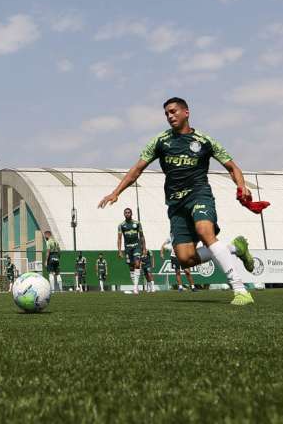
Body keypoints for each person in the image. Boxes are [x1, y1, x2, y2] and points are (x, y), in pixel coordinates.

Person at [99, 97, 257, 306]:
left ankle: (240, 290)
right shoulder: (160, 141)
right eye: (166, 113)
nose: (169, 116)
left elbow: (233, 167)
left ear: (186, 112)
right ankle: (235, 248)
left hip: (199, 195)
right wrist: (116, 192)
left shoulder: (205, 140)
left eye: (173, 111)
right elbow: (137, 169)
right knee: (185, 259)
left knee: (205, 232)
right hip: (175, 204)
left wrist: (241, 185)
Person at [117, 208, 146, 294]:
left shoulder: (137, 223)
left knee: (137, 264)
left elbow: (141, 236)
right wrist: (119, 251)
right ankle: (135, 286)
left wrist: (144, 248)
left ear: (131, 213)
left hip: (136, 246)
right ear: (124, 214)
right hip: (127, 248)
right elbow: (119, 238)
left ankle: (135, 288)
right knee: (131, 267)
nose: (127, 214)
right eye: (125, 212)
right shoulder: (121, 225)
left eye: (129, 212)